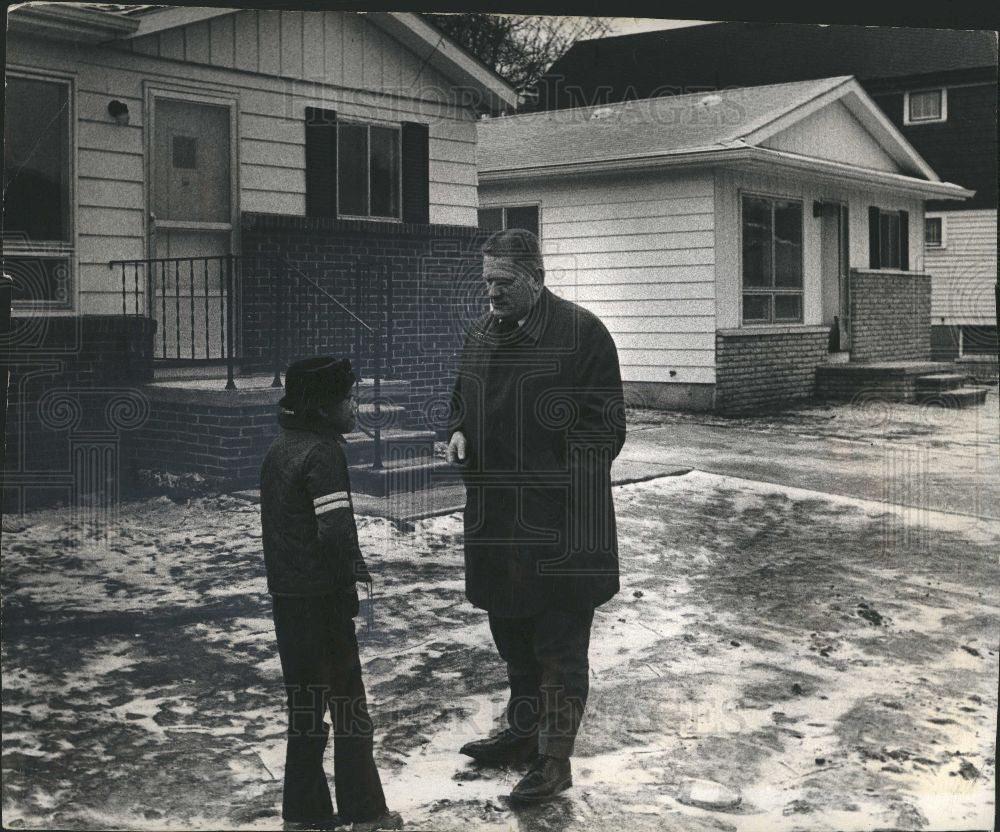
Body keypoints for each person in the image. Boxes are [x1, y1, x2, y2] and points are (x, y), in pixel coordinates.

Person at [447, 229, 626, 803]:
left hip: (561, 530)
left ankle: (554, 760)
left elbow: (604, 432)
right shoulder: (481, 334)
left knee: (558, 646)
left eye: (502, 284)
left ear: (536, 279)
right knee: (511, 636)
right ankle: (522, 735)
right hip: (497, 527)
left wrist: (540, 480)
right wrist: (455, 431)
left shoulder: (581, 334)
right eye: (487, 283)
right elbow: (460, 399)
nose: (490, 295)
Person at [260, 356, 403, 832]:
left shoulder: (282, 446)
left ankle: (305, 814)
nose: (356, 405)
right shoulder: (323, 453)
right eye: (349, 397)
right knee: (348, 705)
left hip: (289, 598)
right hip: (321, 600)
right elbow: (336, 530)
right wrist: (348, 582)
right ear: (323, 407)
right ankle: (366, 813)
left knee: (304, 707)